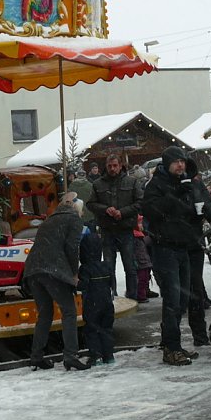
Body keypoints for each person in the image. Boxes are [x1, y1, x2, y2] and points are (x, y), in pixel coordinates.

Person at [142, 146, 211, 366]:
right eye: (176, 162)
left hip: (184, 246)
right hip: (164, 247)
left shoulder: (186, 183)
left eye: (182, 162)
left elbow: (198, 206)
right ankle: (171, 348)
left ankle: (172, 345)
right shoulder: (156, 185)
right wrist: (173, 197)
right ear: (167, 164)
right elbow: (150, 211)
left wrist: (202, 215)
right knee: (173, 300)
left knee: (183, 299)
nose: (180, 165)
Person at [23, 193, 91, 371]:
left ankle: (36, 356)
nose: (82, 215)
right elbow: (72, 247)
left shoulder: (50, 219)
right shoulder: (74, 220)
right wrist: (74, 273)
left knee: (45, 314)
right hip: (53, 270)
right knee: (69, 311)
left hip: (32, 270)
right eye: (82, 211)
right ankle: (70, 356)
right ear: (77, 210)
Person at [86, 154, 143, 300]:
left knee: (129, 265)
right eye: (110, 166)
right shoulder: (98, 184)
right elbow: (90, 204)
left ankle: (132, 295)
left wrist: (122, 212)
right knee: (109, 266)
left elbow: (141, 202)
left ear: (120, 165)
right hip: (107, 229)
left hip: (125, 229)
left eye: (115, 165)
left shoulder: (131, 182)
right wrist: (105, 209)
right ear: (106, 166)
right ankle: (111, 294)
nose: (112, 169)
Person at [184, 158, 211, 345]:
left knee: (195, 287)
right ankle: (169, 339)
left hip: (193, 241)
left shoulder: (195, 185)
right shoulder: (163, 185)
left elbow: (207, 204)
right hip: (169, 245)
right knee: (175, 293)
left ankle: (200, 335)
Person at [78, 224, 115, 366]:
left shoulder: (85, 268)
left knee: (92, 329)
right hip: (107, 302)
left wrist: (75, 283)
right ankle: (109, 355)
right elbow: (111, 282)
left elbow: (83, 285)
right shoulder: (106, 265)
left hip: (92, 303)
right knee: (106, 328)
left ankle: (96, 355)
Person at [133, 214, 158, 301]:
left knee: (146, 266)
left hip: (145, 237)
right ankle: (141, 292)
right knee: (143, 266)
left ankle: (142, 291)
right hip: (141, 238)